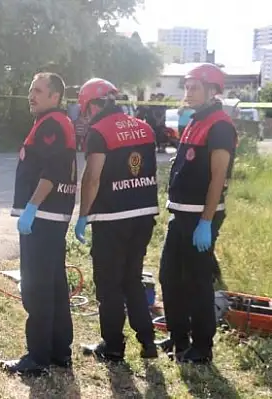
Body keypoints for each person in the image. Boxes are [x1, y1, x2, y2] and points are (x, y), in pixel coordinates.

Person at [0, 72, 77, 377]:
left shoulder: (52, 124)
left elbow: (52, 171)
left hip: (43, 217)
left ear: (55, 96)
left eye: (39, 91)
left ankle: (38, 356)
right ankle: (59, 351)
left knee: (38, 288)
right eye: (31, 89)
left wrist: (31, 207)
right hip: (49, 217)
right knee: (54, 285)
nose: (32, 95)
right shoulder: (55, 121)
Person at [73, 78, 159, 362]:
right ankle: (147, 342)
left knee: (108, 283)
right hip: (144, 215)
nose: (85, 116)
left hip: (111, 217)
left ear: (94, 105)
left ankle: (112, 346)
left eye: (85, 110)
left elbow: (93, 177)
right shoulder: (144, 127)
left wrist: (83, 215)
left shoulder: (99, 132)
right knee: (132, 279)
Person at [158, 63, 237, 364]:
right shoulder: (195, 120)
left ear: (212, 90)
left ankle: (201, 348)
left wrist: (205, 222)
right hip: (180, 214)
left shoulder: (219, 126)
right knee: (169, 276)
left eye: (194, 87)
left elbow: (218, 177)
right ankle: (179, 338)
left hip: (200, 218)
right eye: (187, 87)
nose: (187, 92)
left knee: (197, 282)